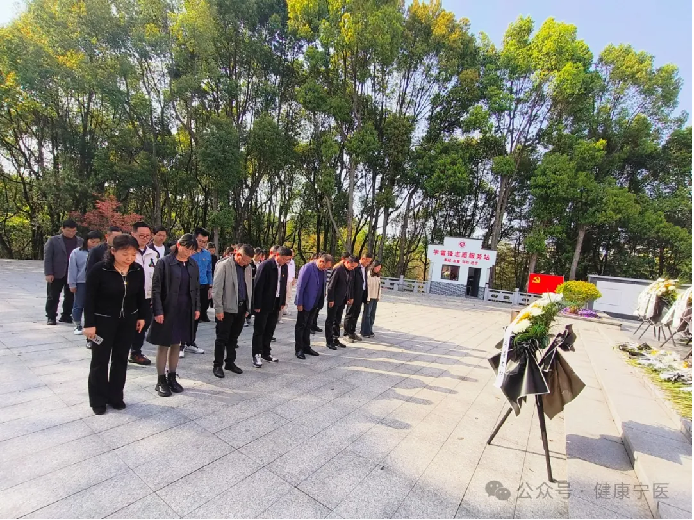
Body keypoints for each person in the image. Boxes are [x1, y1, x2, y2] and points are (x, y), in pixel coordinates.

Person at [83, 235, 147, 415]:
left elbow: (140, 296)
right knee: (100, 360)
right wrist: (89, 324)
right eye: (125, 254)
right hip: (103, 321)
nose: (129, 258)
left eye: (133, 254)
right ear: (113, 251)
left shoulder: (137, 270)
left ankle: (116, 396)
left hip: (127, 321)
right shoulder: (99, 270)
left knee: (120, 359)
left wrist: (142, 316)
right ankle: (98, 400)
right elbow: (89, 298)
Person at [147, 234, 200, 397]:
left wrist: (197, 307)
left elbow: (196, 288)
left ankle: (172, 375)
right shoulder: (164, 262)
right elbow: (156, 288)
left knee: (177, 343)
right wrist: (158, 311)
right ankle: (160, 379)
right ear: (178, 245)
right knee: (164, 344)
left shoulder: (193, 264)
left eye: (192, 250)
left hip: (185, 309)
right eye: (186, 248)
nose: (188, 252)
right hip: (167, 308)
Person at [212, 244, 254, 378]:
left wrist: (248, 307)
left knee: (234, 338)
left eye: (249, 261)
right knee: (222, 338)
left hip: (241, 307)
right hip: (226, 308)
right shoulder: (224, 265)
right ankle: (217, 365)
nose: (246, 263)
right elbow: (217, 289)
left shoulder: (247, 268)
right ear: (238, 254)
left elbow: (248, 288)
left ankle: (230, 362)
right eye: (245, 260)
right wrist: (218, 309)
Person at [252, 246, 292, 367]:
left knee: (270, 329)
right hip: (264, 302)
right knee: (260, 329)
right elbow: (258, 285)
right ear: (277, 255)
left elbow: (283, 286)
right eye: (284, 259)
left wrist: (282, 302)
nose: (286, 262)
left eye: (288, 260)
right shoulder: (266, 265)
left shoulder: (284, 267)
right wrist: (257, 304)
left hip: (276, 302)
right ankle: (256, 354)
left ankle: (266, 352)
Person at [128, 222, 158, 366]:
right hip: (129, 296)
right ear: (133, 234)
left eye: (147, 236)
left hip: (146, 296)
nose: (145, 238)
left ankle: (136, 352)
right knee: (127, 325)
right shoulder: (127, 253)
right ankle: (120, 352)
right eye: (141, 235)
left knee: (143, 324)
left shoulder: (153, 254)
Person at [44, 219, 84, 326]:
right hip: (57, 272)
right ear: (62, 229)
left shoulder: (80, 241)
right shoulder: (53, 240)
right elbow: (48, 258)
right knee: (53, 296)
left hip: (73, 273)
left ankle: (66, 315)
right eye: (68, 231)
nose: (71, 233)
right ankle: (51, 316)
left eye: (74, 231)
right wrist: (48, 273)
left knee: (70, 296)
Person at [295, 253, 333, 359]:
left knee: (308, 325)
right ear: (321, 261)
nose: (326, 269)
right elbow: (300, 286)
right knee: (301, 326)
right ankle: (299, 349)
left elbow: (323, 285)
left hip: (315, 302)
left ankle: (306, 347)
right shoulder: (308, 268)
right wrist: (299, 302)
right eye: (325, 266)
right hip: (306, 302)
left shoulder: (323, 270)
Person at [68, 231, 103, 335]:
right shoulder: (77, 252)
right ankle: (78, 324)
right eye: (92, 241)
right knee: (79, 304)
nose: (95, 244)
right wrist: (72, 284)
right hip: (81, 281)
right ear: (86, 241)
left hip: (98, 282)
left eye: (97, 242)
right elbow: (72, 269)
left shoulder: (102, 252)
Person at [185, 227, 212, 354]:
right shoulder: (188, 252)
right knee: (186, 315)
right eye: (200, 241)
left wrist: (210, 286)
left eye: (205, 242)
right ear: (195, 239)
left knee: (197, 315)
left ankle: (191, 341)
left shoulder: (207, 254)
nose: (202, 244)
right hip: (188, 286)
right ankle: (181, 343)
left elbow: (209, 271)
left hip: (203, 286)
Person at [325, 254, 356, 350]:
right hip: (334, 299)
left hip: (342, 299)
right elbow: (331, 286)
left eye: (354, 267)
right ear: (347, 262)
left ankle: (335, 338)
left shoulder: (350, 271)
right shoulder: (338, 269)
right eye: (352, 266)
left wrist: (350, 297)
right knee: (330, 320)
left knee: (337, 320)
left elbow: (350, 285)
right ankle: (329, 341)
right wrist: (331, 299)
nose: (353, 268)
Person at [344, 252, 373, 342]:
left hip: (361, 293)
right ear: (363, 259)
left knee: (356, 313)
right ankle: (346, 333)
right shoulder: (355, 267)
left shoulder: (365, 268)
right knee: (350, 313)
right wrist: (350, 296)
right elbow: (350, 283)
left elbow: (364, 281)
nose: (368, 263)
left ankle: (352, 332)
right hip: (353, 294)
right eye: (367, 261)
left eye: (370, 262)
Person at [361, 261, 382, 338]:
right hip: (369, 297)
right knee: (367, 314)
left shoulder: (378, 276)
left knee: (372, 315)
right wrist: (367, 297)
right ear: (374, 267)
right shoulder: (368, 274)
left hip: (375, 297)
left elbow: (379, 287)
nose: (379, 269)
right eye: (378, 267)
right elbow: (367, 287)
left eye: (380, 268)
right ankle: (364, 331)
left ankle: (370, 329)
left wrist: (378, 296)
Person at [209, 244, 219, 310]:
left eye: (213, 251)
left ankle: (212, 303)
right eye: (211, 250)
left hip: (213, 274)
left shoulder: (215, 257)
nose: (212, 252)